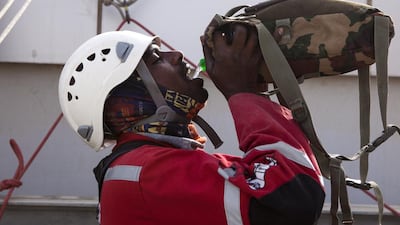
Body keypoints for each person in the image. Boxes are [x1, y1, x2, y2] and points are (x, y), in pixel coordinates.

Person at [58, 24, 325, 225]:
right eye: (155, 59)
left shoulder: (144, 164)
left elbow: (281, 182)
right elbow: (294, 200)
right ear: (129, 95)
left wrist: (251, 90)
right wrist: (242, 92)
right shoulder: (149, 172)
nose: (176, 55)